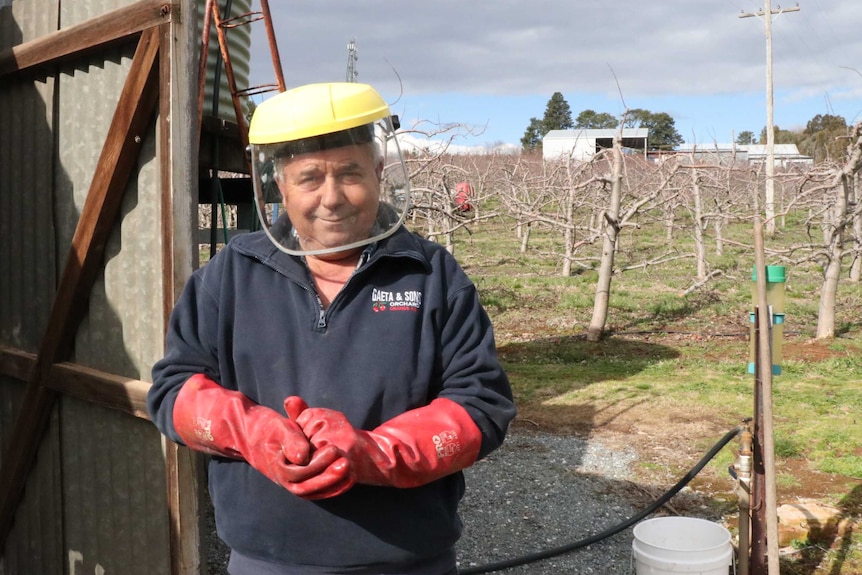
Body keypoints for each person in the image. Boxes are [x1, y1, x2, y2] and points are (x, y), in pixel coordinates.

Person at [147, 82, 516, 575]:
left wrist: (374, 453)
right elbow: (172, 391)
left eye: (350, 173)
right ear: (279, 184)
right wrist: (253, 433)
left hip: (408, 559)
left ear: (379, 173)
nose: (332, 197)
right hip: (265, 560)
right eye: (309, 178)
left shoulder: (431, 274)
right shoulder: (230, 275)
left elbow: (482, 406)